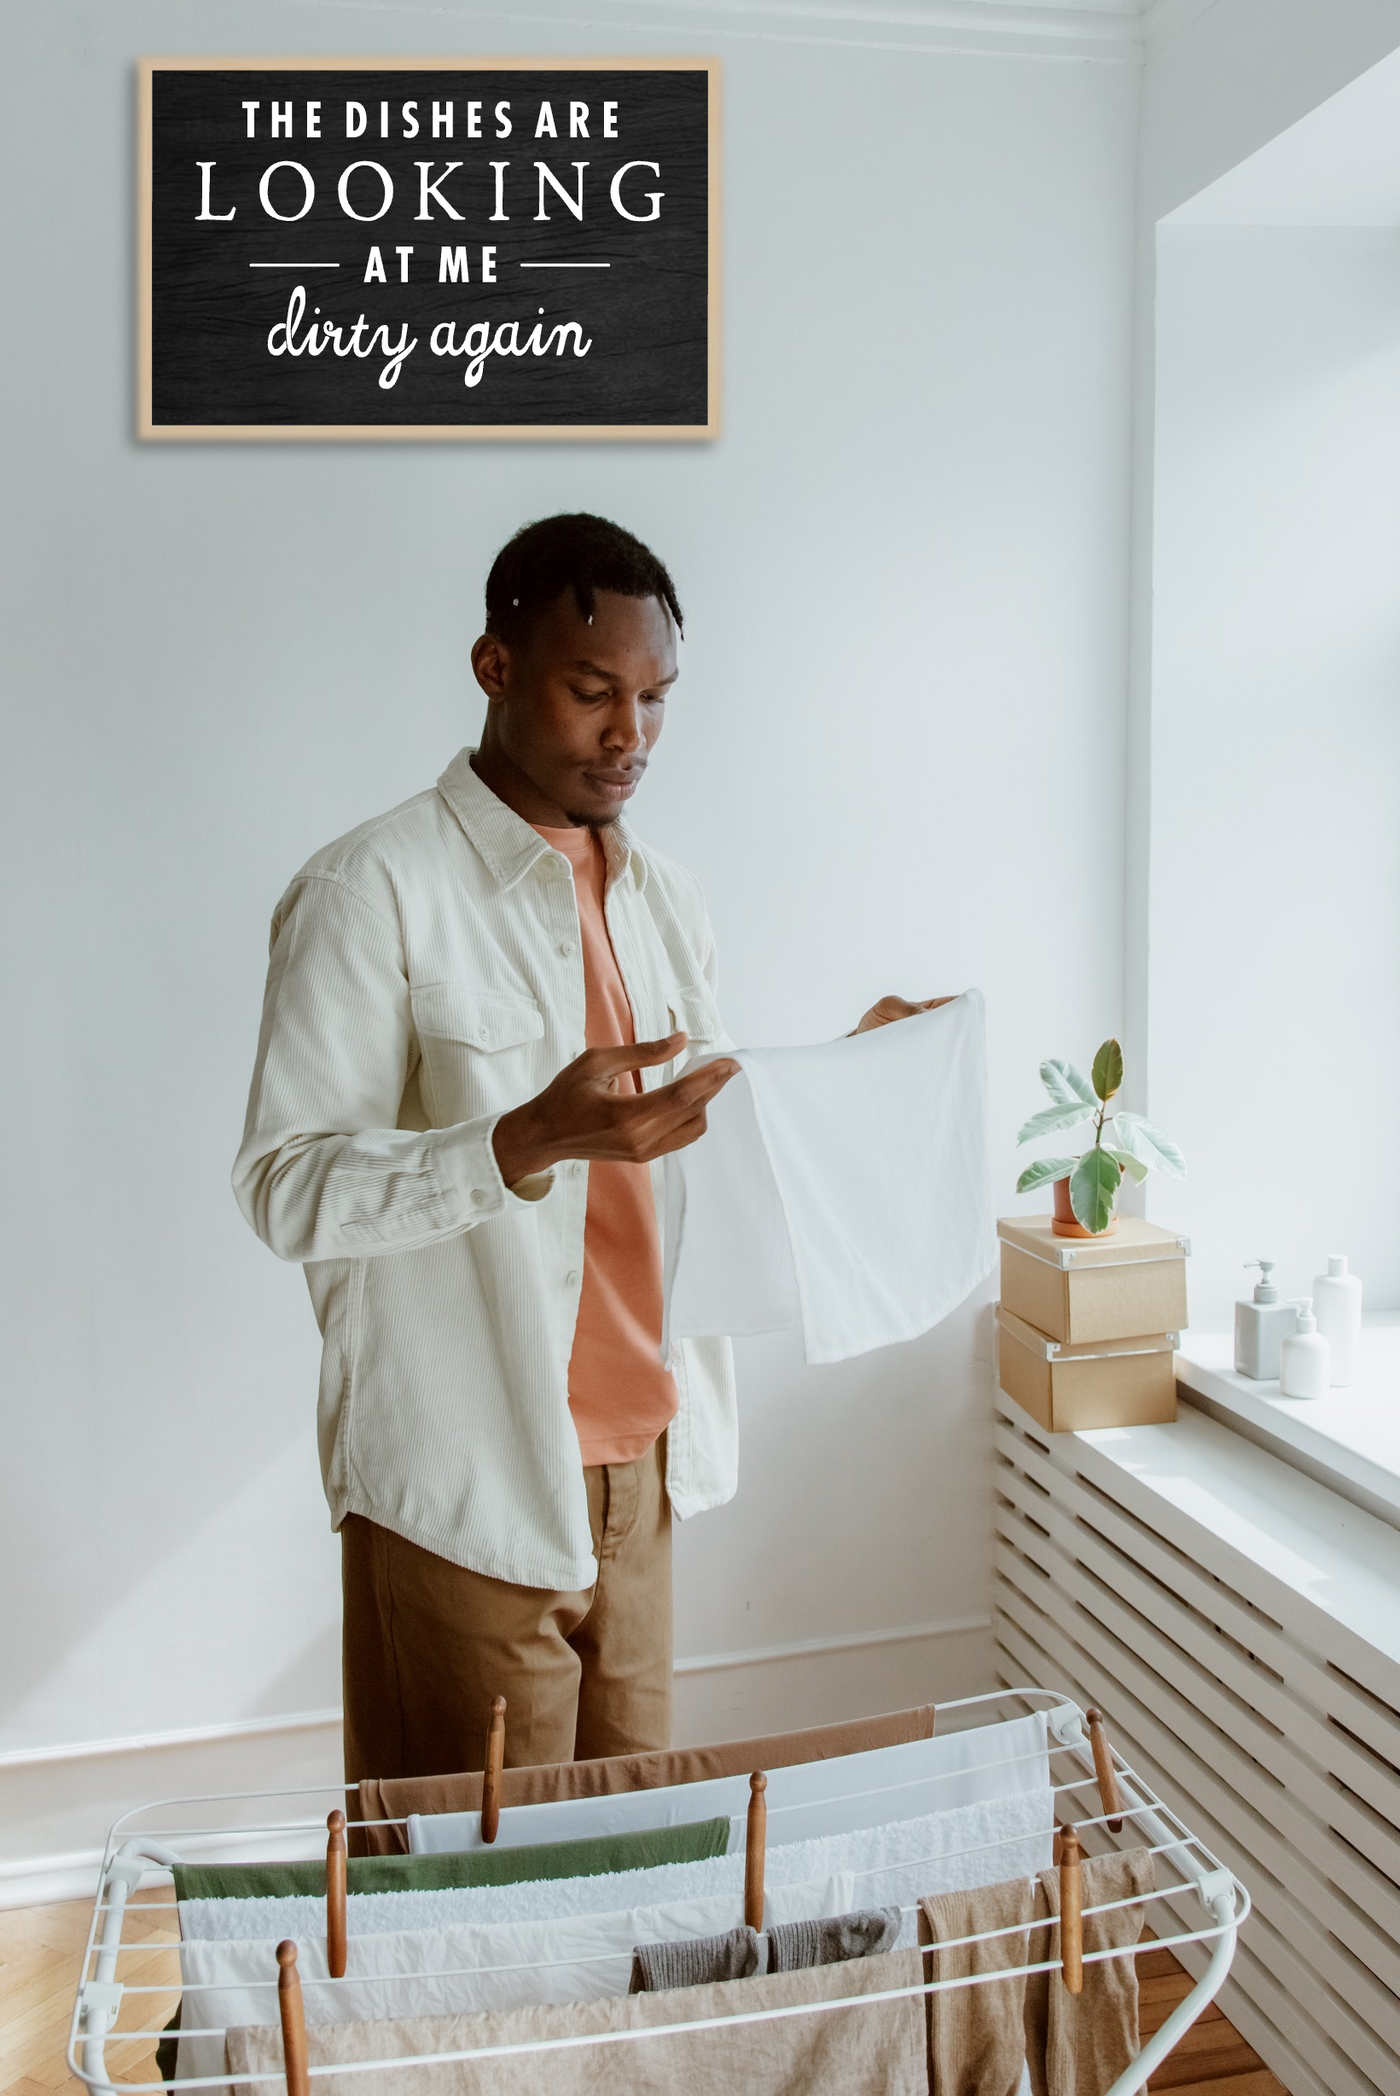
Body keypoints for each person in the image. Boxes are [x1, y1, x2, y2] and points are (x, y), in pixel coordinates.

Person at [234, 512, 941, 1784]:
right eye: (592, 690)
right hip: (464, 1475)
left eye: (656, 699)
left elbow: (693, 1151)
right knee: (461, 1899)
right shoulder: (366, 890)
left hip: (651, 1469)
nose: (630, 736)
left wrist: (851, 1069)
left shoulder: (667, 899)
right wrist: (515, 1140)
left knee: (623, 1884)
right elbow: (287, 1189)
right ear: (494, 668)